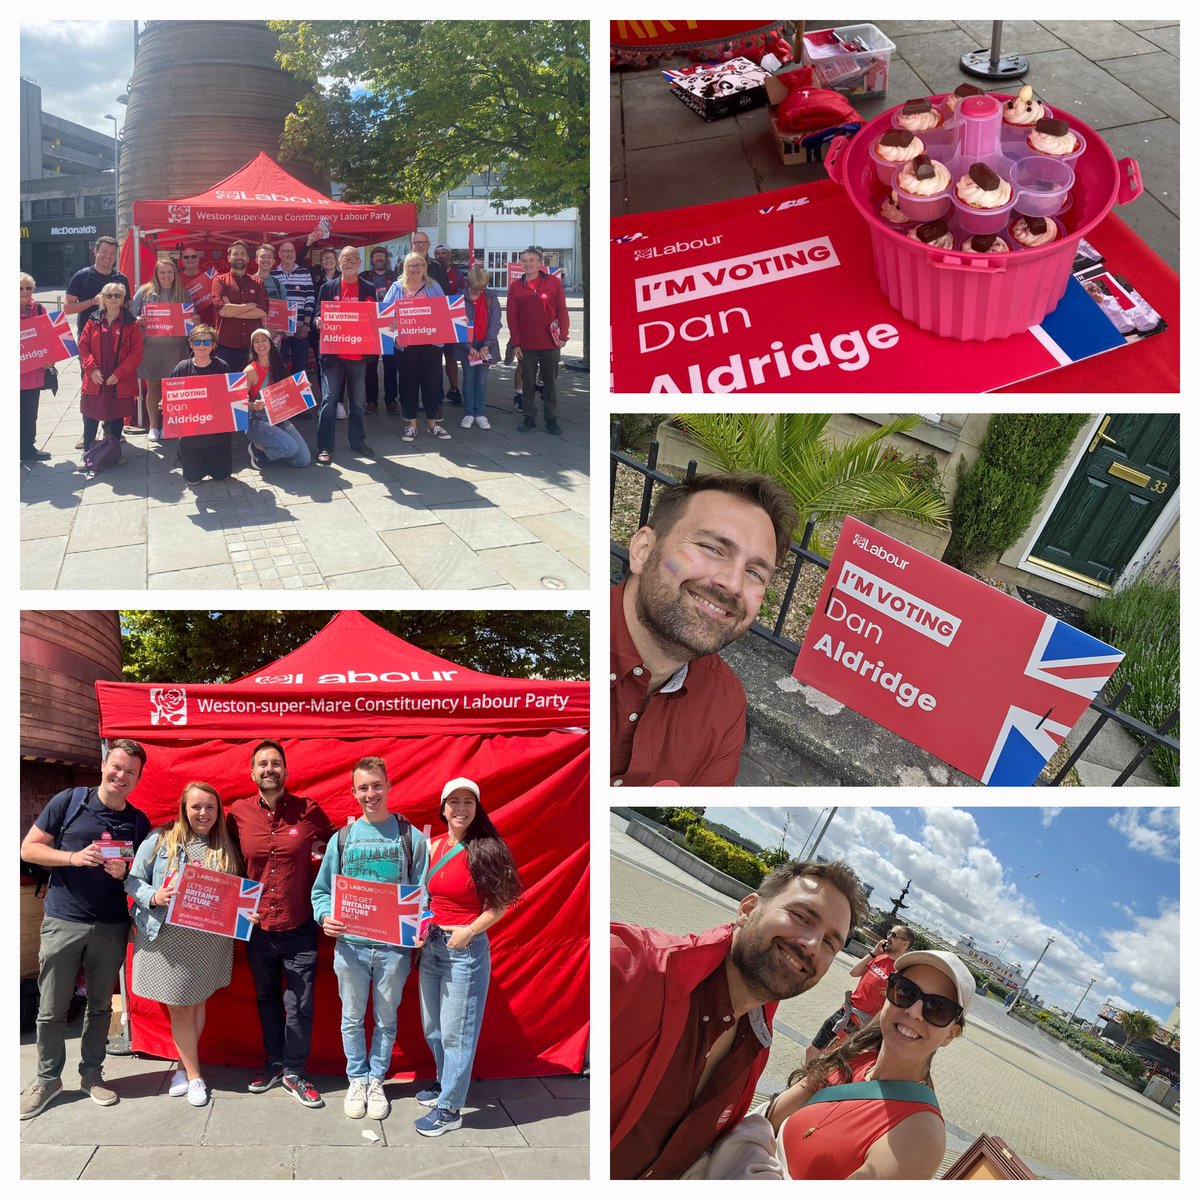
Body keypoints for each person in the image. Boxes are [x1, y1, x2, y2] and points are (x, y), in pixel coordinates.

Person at [611, 859, 868, 1178]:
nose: (812, 945)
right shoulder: (630, 969)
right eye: (801, 916)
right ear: (748, 909)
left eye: (830, 942)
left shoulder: (755, 1047)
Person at [610, 472, 798, 786]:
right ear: (642, 550)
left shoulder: (724, 701)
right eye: (712, 548)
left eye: (754, 572)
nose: (733, 584)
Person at [717, 949, 972, 1180]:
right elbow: (769, 1117)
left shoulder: (920, 1136)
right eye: (905, 991)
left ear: (950, 1034)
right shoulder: (852, 1056)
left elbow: (759, 1127)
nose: (914, 1011)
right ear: (887, 996)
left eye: (938, 1009)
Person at [19, 739, 152, 1118]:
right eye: (117, 766)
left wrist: (125, 872)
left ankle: (92, 1073)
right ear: (104, 764)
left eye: (130, 772)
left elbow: (140, 876)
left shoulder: (138, 822)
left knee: (98, 1008)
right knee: (51, 1008)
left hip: (111, 925)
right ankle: (47, 1079)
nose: (121, 775)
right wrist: (72, 857)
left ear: (139, 778)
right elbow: (29, 849)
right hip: (64, 920)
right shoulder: (70, 801)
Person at [311, 757, 429, 1121]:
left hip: (394, 950)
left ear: (388, 786)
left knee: (385, 1019)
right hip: (351, 949)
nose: (370, 793)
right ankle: (356, 1079)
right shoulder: (342, 839)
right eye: (363, 787)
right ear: (353, 792)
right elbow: (321, 892)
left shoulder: (411, 837)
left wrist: (419, 928)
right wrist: (325, 917)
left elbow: (423, 893)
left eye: (376, 785)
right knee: (350, 1018)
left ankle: (376, 1079)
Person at [226, 739, 334, 1108]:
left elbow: (337, 848)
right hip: (257, 929)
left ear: (286, 771)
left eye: (276, 763)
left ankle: (295, 1070)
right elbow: (224, 862)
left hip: (300, 925)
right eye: (262, 764)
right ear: (252, 772)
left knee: (300, 1003)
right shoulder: (237, 814)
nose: (269, 769)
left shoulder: (309, 810)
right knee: (267, 999)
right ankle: (272, 1062)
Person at [125, 782, 244, 1108]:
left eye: (210, 807)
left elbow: (234, 894)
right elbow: (132, 879)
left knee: (195, 1004)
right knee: (179, 1007)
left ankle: (182, 1066)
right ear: (184, 808)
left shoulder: (224, 846)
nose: (203, 813)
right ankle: (195, 1077)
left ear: (218, 811)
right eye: (196, 807)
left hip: (208, 941)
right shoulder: (160, 839)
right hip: (167, 939)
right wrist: (155, 896)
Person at [415, 778, 522, 1136]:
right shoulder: (431, 846)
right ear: (443, 807)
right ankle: (445, 1083)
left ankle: (450, 1109)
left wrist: (470, 931)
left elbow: (501, 904)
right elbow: (423, 898)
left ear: (477, 808)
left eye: (468, 802)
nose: (461, 808)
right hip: (430, 946)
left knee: (457, 1033)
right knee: (434, 1027)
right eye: (454, 801)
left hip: (465, 950)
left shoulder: (487, 849)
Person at [805, 925, 915, 1064]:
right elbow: (854, 972)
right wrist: (873, 953)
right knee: (812, 1050)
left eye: (894, 935)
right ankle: (805, 1080)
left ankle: (810, 1084)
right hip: (844, 1011)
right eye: (889, 933)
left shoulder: (902, 973)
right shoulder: (879, 957)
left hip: (858, 1024)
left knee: (829, 1059)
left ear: (905, 943)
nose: (888, 937)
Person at [314, 245, 377, 464]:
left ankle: (358, 442)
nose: (349, 263)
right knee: (329, 401)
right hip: (333, 355)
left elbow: (375, 319)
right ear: (339, 263)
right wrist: (318, 321)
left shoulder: (369, 288)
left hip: (358, 356)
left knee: (357, 403)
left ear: (360, 263)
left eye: (353, 259)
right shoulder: (328, 288)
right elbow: (317, 315)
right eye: (345, 260)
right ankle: (324, 446)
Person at [383, 252, 452, 445]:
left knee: (431, 384)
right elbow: (385, 313)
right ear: (405, 267)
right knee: (408, 384)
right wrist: (394, 325)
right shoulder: (397, 288)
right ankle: (411, 424)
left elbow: (444, 312)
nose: (415, 269)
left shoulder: (434, 286)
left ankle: (432, 424)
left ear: (425, 267)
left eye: (419, 265)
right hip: (406, 347)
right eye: (411, 265)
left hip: (431, 345)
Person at [78, 281, 144, 461]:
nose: (113, 299)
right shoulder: (93, 320)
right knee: (92, 415)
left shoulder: (131, 323)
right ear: (103, 299)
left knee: (116, 416)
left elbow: (136, 352)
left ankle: (114, 453)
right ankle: (87, 453)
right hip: (96, 378)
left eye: (117, 295)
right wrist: (91, 369)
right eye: (109, 295)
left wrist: (120, 373)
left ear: (123, 299)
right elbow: (83, 346)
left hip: (118, 379)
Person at [507, 246, 569, 436]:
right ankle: (529, 416)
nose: (527, 264)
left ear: (540, 263)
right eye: (524, 261)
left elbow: (562, 309)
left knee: (550, 382)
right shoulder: (516, 287)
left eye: (531, 260)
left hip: (550, 342)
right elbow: (512, 317)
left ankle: (551, 419)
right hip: (527, 344)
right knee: (528, 382)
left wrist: (563, 335)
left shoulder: (552, 282)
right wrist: (516, 343)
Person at [130, 256, 191, 444]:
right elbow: (130, 312)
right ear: (156, 274)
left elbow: (190, 319)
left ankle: (170, 425)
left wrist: (193, 321)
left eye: (169, 272)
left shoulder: (184, 294)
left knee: (173, 390)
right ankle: (154, 427)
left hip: (177, 349)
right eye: (162, 272)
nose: (166, 275)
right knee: (154, 387)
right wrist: (137, 320)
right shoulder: (145, 291)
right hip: (152, 349)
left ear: (175, 274)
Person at [168, 323, 235, 486]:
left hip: (218, 436)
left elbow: (231, 398)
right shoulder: (182, 368)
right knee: (193, 480)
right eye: (197, 342)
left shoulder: (222, 366)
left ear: (213, 345)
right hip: (191, 438)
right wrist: (167, 404)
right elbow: (172, 398)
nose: (202, 346)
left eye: (206, 342)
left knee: (223, 477)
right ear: (191, 345)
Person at [243, 328, 312, 469]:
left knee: (303, 460)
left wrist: (303, 388)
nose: (260, 344)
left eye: (264, 340)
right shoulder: (250, 370)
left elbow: (289, 393)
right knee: (291, 448)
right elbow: (238, 401)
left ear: (270, 343)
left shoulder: (279, 365)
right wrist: (253, 405)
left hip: (278, 417)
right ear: (253, 346)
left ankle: (275, 448)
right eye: (256, 341)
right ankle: (258, 448)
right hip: (257, 421)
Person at [455, 265, 501, 430]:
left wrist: (487, 345)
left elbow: (495, 322)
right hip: (468, 344)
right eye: (475, 289)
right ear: (469, 284)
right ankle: (469, 413)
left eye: (481, 289)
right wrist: (468, 347)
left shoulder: (491, 297)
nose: (478, 293)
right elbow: (456, 325)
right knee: (469, 379)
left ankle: (480, 413)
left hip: (485, 344)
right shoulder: (459, 297)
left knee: (481, 380)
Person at [211, 240, 268, 369]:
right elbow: (222, 311)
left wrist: (232, 310)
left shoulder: (257, 282)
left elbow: (263, 312)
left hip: (252, 347)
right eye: (235, 254)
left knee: (252, 386)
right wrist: (249, 306)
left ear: (248, 258)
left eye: (243, 254)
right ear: (229, 258)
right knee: (227, 387)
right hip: (226, 347)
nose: (239, 257)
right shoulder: (219, 280)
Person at [360, 245, 398, 414]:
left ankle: (391, 401)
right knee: (370, 365)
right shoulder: (363, 277)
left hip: (390, 326)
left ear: (386, 259)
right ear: (371, 259)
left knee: (391, 365)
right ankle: (371, 401)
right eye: (376, 256)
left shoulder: (396, 278)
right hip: (369, 326)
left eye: (382, 256)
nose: (379, 259)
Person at [272, 240, 316, 380]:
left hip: (301, 329)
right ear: (279, 254)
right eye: (285, 251)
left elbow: (310, 299)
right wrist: (278, 329)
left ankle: (301, 401)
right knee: (280, 367)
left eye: (291, 251)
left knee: (300, 369)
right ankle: (284, 400)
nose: (289, 254)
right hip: (280, 332)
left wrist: (306, 326)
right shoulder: (272, 274)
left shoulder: (304, 272)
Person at [20, 272, 51, 461]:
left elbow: (50, 338)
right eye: (20, 288)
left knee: (31, 412)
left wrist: (50, 358)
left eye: (28, 288)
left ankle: (27, 448)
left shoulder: (39, 309)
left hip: (34, 372)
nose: (24, 292)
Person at [309, 246, 341, 413]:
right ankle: (326, 398)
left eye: (331, 258)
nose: (328, 261)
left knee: (340, 365)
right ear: (321, 263)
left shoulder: (344, 279)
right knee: (323, 366)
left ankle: (340, 401)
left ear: (336, 261)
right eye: (325, 259)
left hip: (341, 331)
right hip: (320, 330)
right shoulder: (316, 280)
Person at [434, 244, 465, 406]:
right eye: (437, 253)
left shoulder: (458, 274)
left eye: (444, 253)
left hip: (451, 320)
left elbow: (462, 295)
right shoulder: (431, 272)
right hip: (433, 321)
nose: (440, 256)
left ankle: (454, 389)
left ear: (450, 256)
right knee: (434, 358)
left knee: (451, 357)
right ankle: (436, 390)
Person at [177, 244, 216, 329]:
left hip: (206, 326)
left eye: (193, 256)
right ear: (182, 261)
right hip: (184, 326)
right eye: (186, 257)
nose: (190, 259)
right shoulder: (176, 280)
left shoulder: (209, 278)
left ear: (198, 259)